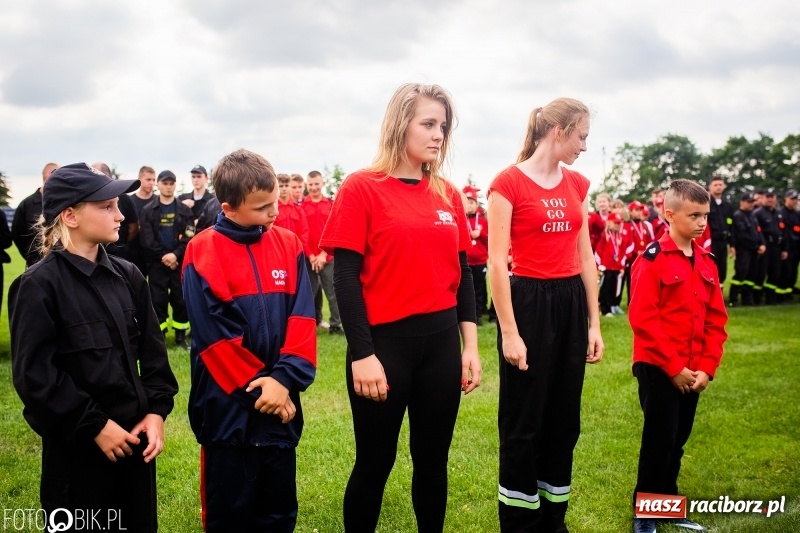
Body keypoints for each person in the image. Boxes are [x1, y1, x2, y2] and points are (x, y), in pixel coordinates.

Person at [319, 82, 482, 532]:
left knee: (433, 462)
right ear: (399, 125)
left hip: (441, 345)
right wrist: (363, 354)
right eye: (428, 124)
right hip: (384, 347)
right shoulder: (361, 187)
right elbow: (346, 280)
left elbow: (462, 274)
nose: (438, 135)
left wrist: (469, 346)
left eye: (443, 127)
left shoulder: (447, 193)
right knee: (375, 463)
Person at [9, 163, 178, 532]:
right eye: (106, 207)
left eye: (118, 205)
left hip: (135, 446)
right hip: (78, 457)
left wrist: (157, 411)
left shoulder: (128, 275)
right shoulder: (37, 286)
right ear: (70, 216)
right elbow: (35, 377)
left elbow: (152, 354)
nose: (120, 215)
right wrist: (94, 426)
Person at [182, 149, 316, 532]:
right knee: (230, 516)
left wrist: (285, 381)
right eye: (261, 208)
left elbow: (303, 318)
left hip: (282, 406)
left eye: (275, 202)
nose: (273, 213)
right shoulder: (202, 251)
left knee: (278, 514)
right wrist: (265, 393)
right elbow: (214, 339)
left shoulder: (289, 244)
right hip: (227, 412)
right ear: (229, 207)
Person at [487, 98, 603, 532]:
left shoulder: (577, 184)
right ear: (559, 131)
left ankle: (554, 520)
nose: (585, 146)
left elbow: (586, 256)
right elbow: (497, 264)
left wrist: (593, 322)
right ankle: (519, 523)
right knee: (523, 422)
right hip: (529, 303)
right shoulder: (508, 183)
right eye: (582, 136)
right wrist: (510, 333)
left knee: (563, 421)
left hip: (571, 302)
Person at [629, 179, 728, 533]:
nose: (702, 222)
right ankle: (646, 512)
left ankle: (668, 504)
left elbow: (717, 320)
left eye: (706, 215)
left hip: (692, 370)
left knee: (678, 439)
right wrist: (674, 368)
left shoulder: (707, 261)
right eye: (695, 215)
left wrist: (706, 368)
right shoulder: (652, 259)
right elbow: (643, 319)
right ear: (669, 214)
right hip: (658, 366)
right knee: (660, 438)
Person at [139, 170, 195, 347]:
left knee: (180, 299)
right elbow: (147, 240)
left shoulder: (185, 211)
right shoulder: (148, 211)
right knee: (157, 300)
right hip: (157, 264)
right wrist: (164, 256)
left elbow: (189, 236)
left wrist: (175, 255)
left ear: (175, 185)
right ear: (159, 185)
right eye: (165, 183)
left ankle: (180, 338)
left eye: (171, 183)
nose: (168, 187)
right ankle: (159, 337)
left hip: (178, 264)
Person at [302, 170, 343, 335]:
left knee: (332, 293)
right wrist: (311, 256)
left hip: (328, 257)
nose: (313, 188)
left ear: (323, 183)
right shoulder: (301, 207)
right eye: (310, 184)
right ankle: (308, 326)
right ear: (307, 185)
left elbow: (336, 230)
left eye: (316, 184)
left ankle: (335, 325)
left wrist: (323, 255)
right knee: (308, 294)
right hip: (308, 257)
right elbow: (301, 234)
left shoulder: (331, 205)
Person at [12, 162, 58, 267]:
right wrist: (30, 254)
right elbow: (17, 234)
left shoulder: (64, 203)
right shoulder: (27, 204)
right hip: (35, 262)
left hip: (61, 263)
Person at [91, 162, 139, 261]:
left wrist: (120, 242)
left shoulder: (125, 199)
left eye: (117, 204)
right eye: (107, 207)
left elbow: (134, 228)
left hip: (120, 252)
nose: (120, 217)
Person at [729, 193, 765, 306]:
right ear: (742, 202)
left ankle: (747, 299)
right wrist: (755, 244)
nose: (751, 204)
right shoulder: (738, 215)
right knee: (741, 273)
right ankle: (733, 299)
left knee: (751, 274)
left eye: (752, 202)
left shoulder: (752, 215)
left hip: (754, 250)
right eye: (749, 202)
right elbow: (741, 235)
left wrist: (762, 243)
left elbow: (758, 231)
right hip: (743, 250)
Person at [595, 211, 630, 316]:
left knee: (612, 288)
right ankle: (604, 309)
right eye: (615, 223)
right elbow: (598, 252)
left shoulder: (620, 237)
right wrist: (599, 266)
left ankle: (611, 307)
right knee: (605, 288)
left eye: (619, 223)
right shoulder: (604, 236)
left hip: (616, 267)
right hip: (606, 267)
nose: (617, 225)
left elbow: (623, 253)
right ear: (609, 223)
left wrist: (622, 267)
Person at [621, 200, 655, 304]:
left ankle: (640, 302)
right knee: (631, 280)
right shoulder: (626, 225)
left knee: (641, 281)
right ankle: (631, 302)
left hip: (643, 258)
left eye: (640, 209)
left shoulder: (644, 225)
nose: (639, 212)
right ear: (630, 211)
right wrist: (635, 251)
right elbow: (626, 242)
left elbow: (650, 241)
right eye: (636, 210)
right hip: (631, 258)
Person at [464, 185, 489, 322]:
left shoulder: (483, 221)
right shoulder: (461, 219)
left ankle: (478, 314)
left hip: (480, 260)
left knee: (479, 288)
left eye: (472, 202)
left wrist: (480, 234)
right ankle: (469, 313)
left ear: (476, 204)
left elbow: (489, 239)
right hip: (466, 261)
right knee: (468, 289)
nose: (469, 205)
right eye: (467, 202)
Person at [753, 191, 782, 304]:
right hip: (765, 246)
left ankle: (771, 298)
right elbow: (756, 231)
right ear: (763, 198)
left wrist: (783, 248)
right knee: (761, 272)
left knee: (775, 273)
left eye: (772, 197)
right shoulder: (758, 213)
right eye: (767, 197)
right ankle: (756, 298)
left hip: (776, 246)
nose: (770, 200)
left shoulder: (777, 213)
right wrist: (760, 244)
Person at [129, 166, 158, 274]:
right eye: (148, 179)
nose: (151, 183)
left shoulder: (158, 201)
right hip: (135, 250)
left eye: (154, 180)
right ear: (140, 179)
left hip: (154, 253)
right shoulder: (131, 201)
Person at [274, 173, 311, 256]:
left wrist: (299, 250)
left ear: (290, 187)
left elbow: (304, 232)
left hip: (296, 252)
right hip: (277, 252)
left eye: (286, 185)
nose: (283, 189)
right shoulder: (272, 209)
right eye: (281, 186)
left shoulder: (298, 209)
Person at [706, 175, 735, 283]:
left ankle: (720, 296)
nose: (718, 187)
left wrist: (732, 245)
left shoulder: (728, 206)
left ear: (724, 186)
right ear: (710, 187)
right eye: (715, 185)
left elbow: (731, 226)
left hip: (723, 242)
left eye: (720, 185)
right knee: (710, 267)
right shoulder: (706, 204)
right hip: (711, 242)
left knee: (722, 268)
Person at [777, 189, 799, 301]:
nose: (794, 201)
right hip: (786, 248)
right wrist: (783, 248)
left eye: (796, 199)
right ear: (786, 199)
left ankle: (789, 292)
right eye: (792, 199)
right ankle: (782, 294)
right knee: (785, 271)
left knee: (793, 272)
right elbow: (782, 233)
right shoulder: (781, 213)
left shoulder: (797, 214)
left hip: (796, 248)